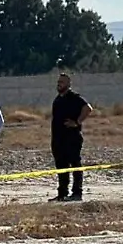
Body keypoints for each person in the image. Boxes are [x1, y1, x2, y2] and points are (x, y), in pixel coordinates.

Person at [50, 71, 92, 202]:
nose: (59, 84)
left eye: (61, 82)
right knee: (61, 166)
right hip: (58, 139)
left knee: (75, 164)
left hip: (72, 138)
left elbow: (88, 108)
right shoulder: (58, 99)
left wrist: (77, 122)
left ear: (68, 84)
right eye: (58, 82)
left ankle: (77, 193)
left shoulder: (74, 97)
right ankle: (62, 193)